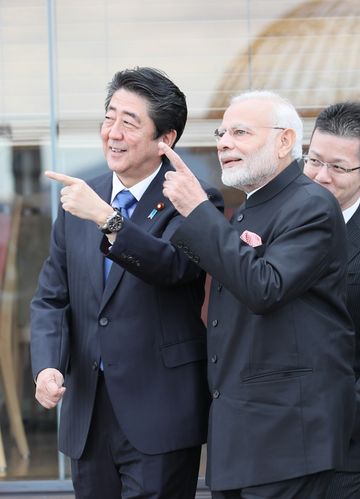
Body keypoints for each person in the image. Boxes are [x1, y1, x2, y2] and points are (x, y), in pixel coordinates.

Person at [30, 67, 223, 499]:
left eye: (129, 122)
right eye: (109, 117)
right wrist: (47, 365)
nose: (112, 133)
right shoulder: (82, 197)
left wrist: (107, 218)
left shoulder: (192, 197)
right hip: (89, 414)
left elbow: (174, 266)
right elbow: (51, 298)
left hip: (159, 413)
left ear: (165, 139)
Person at [160, 90, 356, 499]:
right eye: (221, 131)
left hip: (288, 439)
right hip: (244, 439)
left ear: (284, 141)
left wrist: (198, 210)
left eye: (240, 131)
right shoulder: (253, 206)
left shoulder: (311, 205)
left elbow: (264, 287)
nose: (224, 142)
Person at [304, 102, 360, 499]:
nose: (321, 177)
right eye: (313, 160)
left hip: (349, 446)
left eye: (338, 168)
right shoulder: (268, 221)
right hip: (276, 444)